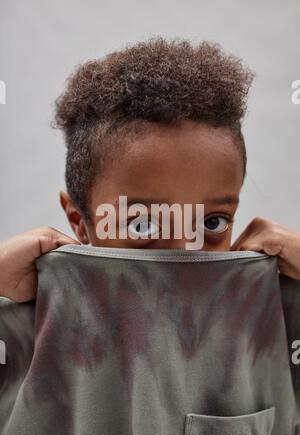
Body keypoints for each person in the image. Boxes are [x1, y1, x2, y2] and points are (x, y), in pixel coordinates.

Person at [1, 36, 300, 303]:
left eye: (213, 223)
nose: (186, 250)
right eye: (143, 225)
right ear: (80, 222)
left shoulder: (266, 319)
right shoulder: (40, 325)